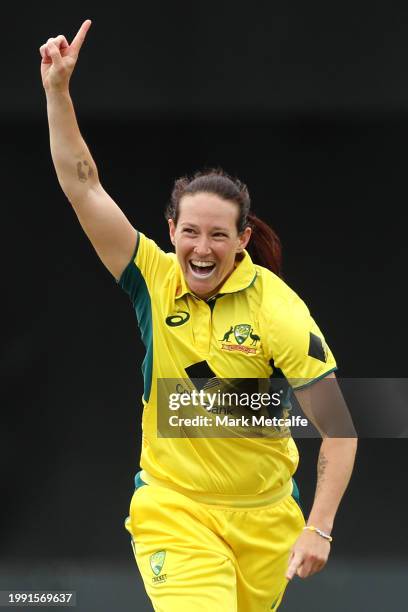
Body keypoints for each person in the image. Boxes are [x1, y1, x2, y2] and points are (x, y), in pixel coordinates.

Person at [40, 20, 357, 612]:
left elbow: (338, 427)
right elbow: (84, 188)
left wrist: (318, 525)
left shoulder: (279, 311)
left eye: (218, 235)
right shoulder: (153, 278)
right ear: (171, 232)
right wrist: (58, 92)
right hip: (174, 509)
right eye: (190, 232)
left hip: (265, 524)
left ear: (241, 241)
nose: (202, 248)